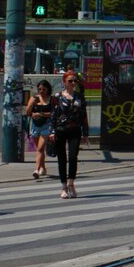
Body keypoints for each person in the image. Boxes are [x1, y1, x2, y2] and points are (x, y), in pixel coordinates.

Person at [51, 71, 89, 199]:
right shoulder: (57, 97)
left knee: (73, 157)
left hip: (75, 130)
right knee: (62, 159)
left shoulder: (80, 97)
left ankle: (71, 183)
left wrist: (85, 133)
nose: (73, 83)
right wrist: (52, 131)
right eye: (70, 81)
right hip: (60, 130)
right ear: (64, 82)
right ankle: (63, 186)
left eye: (75, 81)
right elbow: (53, 116)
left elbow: (84, 116)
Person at [24, 79, 55, 180]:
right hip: (35, 125)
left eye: (44, 89)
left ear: (48, 89)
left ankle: (36, 170)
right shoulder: (34, 98)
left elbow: (54, 113)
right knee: (39, 150)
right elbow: (28, 113)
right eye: (40, 89)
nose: (41, 91)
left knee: (41, 149)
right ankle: (43, 168)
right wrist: (32, 104)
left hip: (46, 126)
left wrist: (41, 114)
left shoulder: (51, 99)